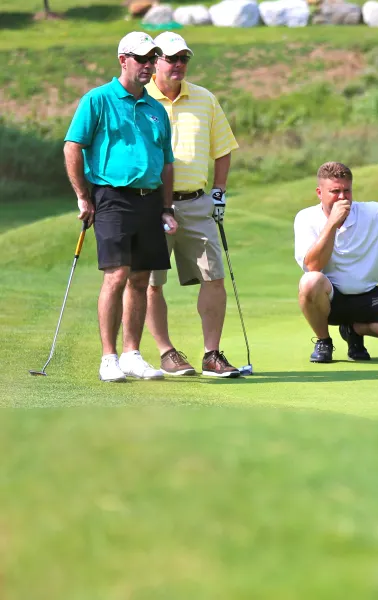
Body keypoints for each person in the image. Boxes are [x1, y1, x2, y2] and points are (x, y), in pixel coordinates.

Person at [64, 32, 177, 383]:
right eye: (142, 58)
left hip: (150, 200)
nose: (148, 65)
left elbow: (167, 163)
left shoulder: (156, 109)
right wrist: (84, 195)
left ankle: (132, 354)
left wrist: (167, 206)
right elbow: (73, 146)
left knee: (141, 279)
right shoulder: (97, 99)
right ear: (123, 60)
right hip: (112, 197)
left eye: (152, 58)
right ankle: (108, 357)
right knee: (116, 276)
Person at [144, 32, 242, 378]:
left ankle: (211, 354)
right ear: (155, 61)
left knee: (213, 276)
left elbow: (223, 148)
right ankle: (166, 352)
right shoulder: (140, 99)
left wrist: (219, 191)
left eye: (184, 58)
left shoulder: (204, 98)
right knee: (152, 282)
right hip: (152, 205)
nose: (179, 65)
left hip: (197, 202)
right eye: (171, 59)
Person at [294, 162, 378, 363]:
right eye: (335, 191)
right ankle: (324, 342)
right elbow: (313, 265)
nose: (342, 197)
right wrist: (332, 223)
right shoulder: (306, 218)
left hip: (368, 296)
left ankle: (354, 329)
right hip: (330, 300)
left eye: (346, 191)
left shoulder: (371, 212)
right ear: (319, 193)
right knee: (310, 281)